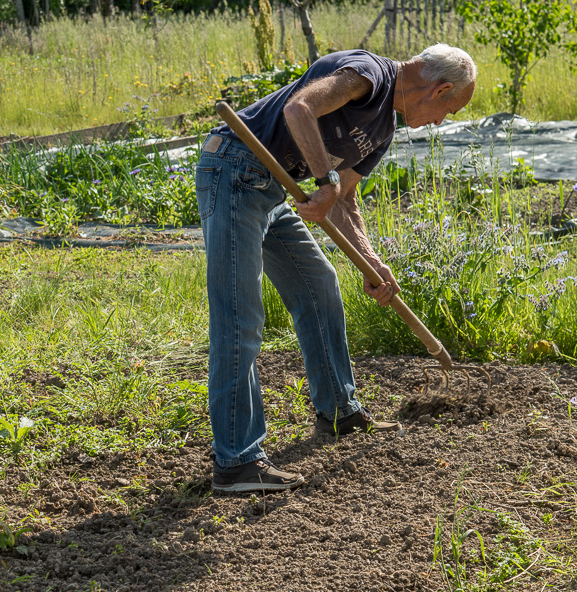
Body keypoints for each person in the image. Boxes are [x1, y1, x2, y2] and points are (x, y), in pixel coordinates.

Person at [196, 44, 477, 493]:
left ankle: (339, 413)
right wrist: (323, 180)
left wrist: (372, 264)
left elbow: (343, 200)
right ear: (440, 89)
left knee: (318, 285)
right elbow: (300, 107)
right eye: (449, 109)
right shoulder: (369, 76)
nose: (442, 122)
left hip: (271, 189)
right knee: (239, 316)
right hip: (235, 169)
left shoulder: (382, 129)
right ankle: (237, 462)